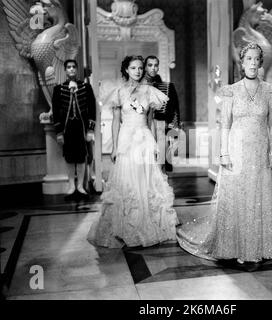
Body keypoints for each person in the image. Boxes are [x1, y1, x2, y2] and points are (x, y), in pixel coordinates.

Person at [177, 43, 272, 264]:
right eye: (248, 59)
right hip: (236, 150)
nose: (252, 63)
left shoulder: (270, 91)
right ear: (241, 64)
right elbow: (224, 125)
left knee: (258, 198)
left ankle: (256, 247)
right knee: (237, 197)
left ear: (260, 63)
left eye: (256, 59)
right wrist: (223, 154)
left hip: (260, 151)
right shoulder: (230, 91)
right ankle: (235, 246)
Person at [87, 55, 178, 248]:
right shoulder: (118, 92)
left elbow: (152, 120)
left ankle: (148, 223)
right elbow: (115, 122)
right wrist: (114, 147)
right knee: (127, 182)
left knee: (146, 181)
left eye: (139, 68)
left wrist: (154, 144)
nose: (137, 71)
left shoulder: (150, 91)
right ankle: (126, 225)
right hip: (126, 140)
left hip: (144, 139)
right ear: (126, 70)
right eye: (133, 68)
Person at [52, 59, 96, 196]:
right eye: (68, 67)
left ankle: (80, 186)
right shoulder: (58, 89)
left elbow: (92, 109)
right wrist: (59, 132)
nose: (71, 69)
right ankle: (71, 186)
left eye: (73, 67)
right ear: (65, 70)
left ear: (76, 70)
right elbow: (56, 111)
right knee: (70, 157)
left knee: (82, 156)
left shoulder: (86, 87)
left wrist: (90, 129)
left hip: (81, 127)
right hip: (67, 127)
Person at [142, 56, 180, 172]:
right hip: (142, 124)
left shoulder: (167, 87)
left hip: (160, 124)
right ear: (144, 67)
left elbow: (175, 109)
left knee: (160, 156)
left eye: (156, 65)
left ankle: (160, 182)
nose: (153, 68)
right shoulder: (138, 86)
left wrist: (174, 129)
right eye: (150, 65)